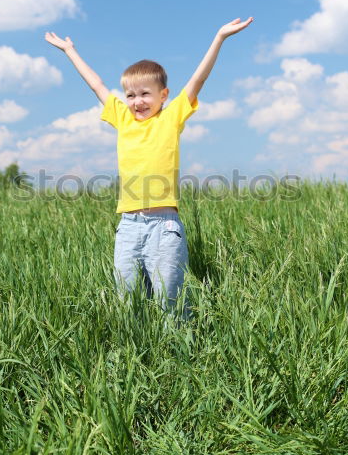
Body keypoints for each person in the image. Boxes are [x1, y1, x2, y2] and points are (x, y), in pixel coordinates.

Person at [45, 17, 254, 319]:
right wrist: (69, 50)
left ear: (163, 96)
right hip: (128, 227)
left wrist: (219, 37)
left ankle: (181, 358)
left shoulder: (170, 119)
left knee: (171, 303)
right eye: (130, 95)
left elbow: (198, 80)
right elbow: (96, 85)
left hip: (164, 227)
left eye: (145, 94)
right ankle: (140, 356)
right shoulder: (122, 118)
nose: (137, 101)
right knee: (128, 303)